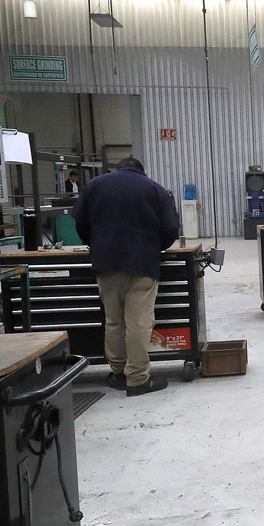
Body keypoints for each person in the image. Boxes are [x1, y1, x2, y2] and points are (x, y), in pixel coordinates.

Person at [74, 157, 179, 396]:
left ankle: (118, 372)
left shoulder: (95, 185)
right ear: (142, 170)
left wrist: (97, 243)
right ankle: (138, 379)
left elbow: (80, 224)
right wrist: (154, 247)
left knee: (114, 321)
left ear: (118, 168)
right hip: (142, 263)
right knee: (138, 323)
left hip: (105, 263)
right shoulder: (155, 189)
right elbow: (171, 230)